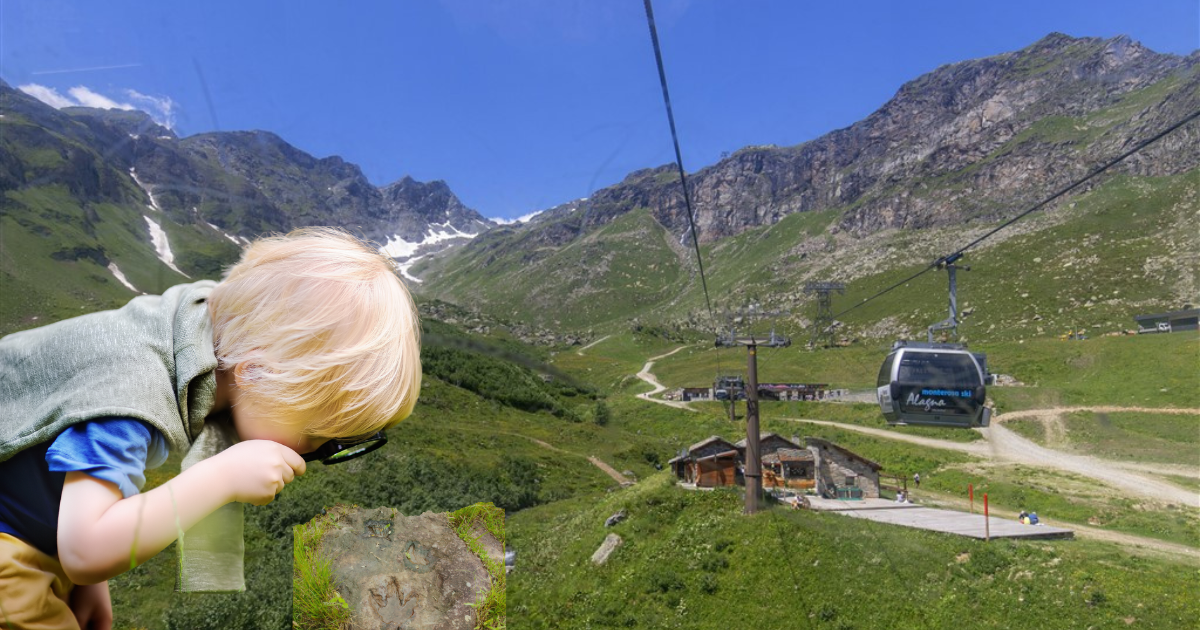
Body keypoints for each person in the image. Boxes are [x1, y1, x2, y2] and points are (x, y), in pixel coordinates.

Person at [0, 227, 422, 629]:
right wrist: (220, 477)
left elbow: (71, 498)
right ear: (255, 374)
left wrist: (85, 578)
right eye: (313, 436)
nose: (311, 452)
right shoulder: (130, 393)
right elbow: (86, 549)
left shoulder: (198, 321)